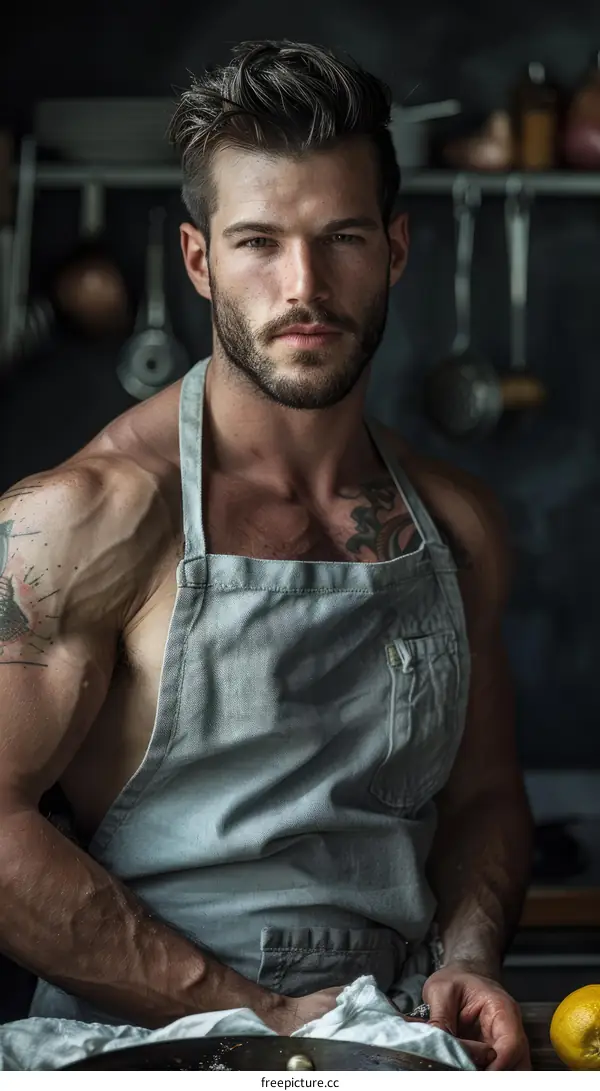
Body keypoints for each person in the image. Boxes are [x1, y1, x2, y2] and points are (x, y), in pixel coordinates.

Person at [0, 40, 532, 1070]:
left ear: (396, 247)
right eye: (258, 242)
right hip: (138, 1041)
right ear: (200, 260)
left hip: (388, 1034)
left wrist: (467, 955)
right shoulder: (87, 516)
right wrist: (261, 1016)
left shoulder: (457, 527)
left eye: (340, 237)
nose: (305, 285)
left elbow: (484, 797)